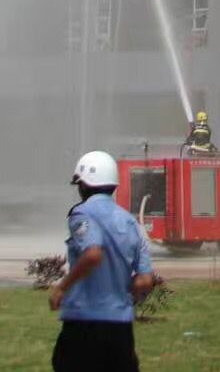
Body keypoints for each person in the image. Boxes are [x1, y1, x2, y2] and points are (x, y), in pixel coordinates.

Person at [50, 150, 155, 372]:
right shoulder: (130, 222)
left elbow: (93, 254)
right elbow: (145, 280)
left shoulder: (82, 214)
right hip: (120, 328)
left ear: (84, 185)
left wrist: (62, 287)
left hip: (83, 323)